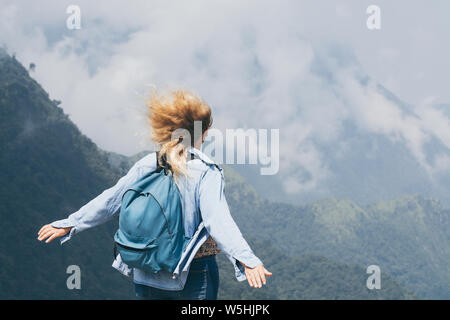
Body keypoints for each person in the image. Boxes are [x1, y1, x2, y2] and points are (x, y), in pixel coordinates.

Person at [38, 89, 271, 300]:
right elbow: (217, 221)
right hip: (192, 272)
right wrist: (246, 261)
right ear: (204, 131)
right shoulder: (205, 171)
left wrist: (70, 224)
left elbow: (110, 200)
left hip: (145, 270)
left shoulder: (148, 163)